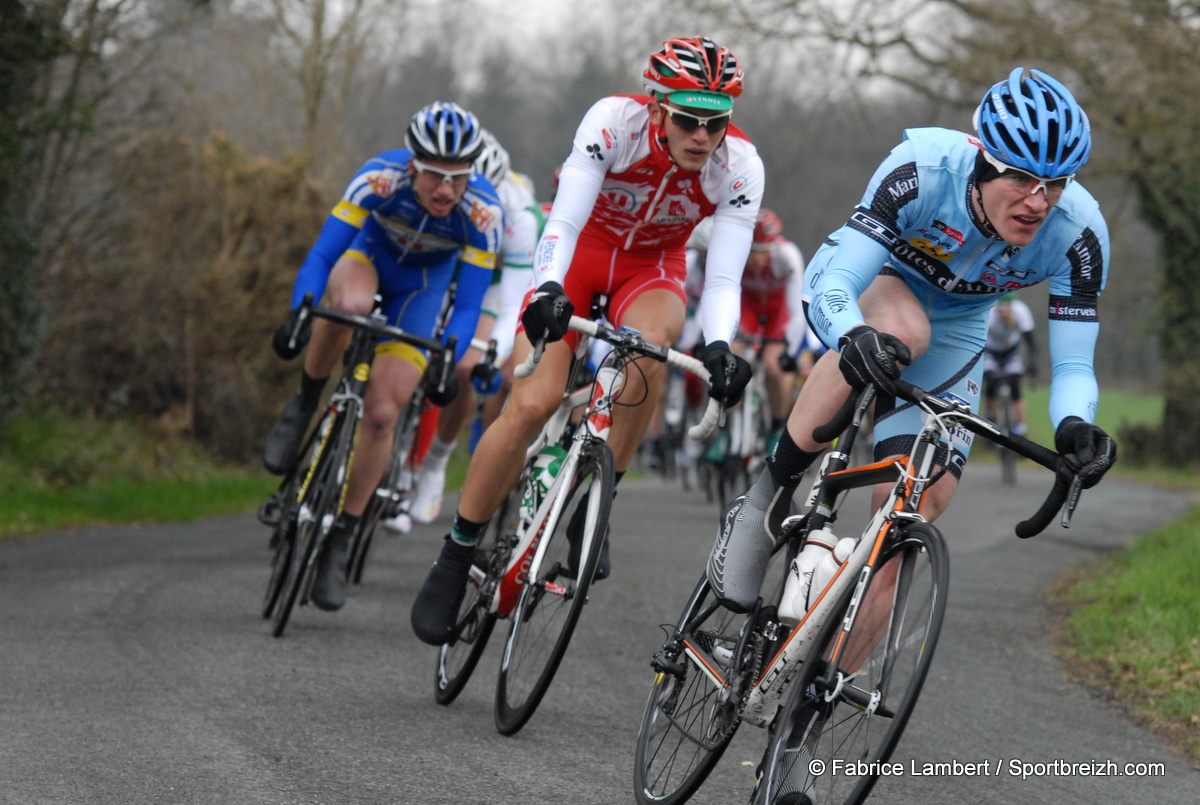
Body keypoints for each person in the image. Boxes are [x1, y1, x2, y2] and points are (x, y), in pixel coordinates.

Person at [708, 66, 1118, 613]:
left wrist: (1075, 425)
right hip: (873, 286)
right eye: (1021, 178)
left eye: (1056, 184)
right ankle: (766, 497)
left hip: (960, 328)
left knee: (915, 509)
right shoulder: (922, 170)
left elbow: (1072, 366)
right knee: (902, 330)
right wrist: (852, 333)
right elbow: (839, 281)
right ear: (982, 161)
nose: (1038, 202)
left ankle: (816, 686)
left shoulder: (1080, 233)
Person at [409, 36, 765, 646]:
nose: (702, 136)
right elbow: (565, 221)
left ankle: (597, 504)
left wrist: (722, 345)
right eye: (687, 119)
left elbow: (724, 277)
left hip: (651, 268)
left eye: (716, 121)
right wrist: (547, 288)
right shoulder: (612, 123)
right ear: (656, 108)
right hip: (579, 257)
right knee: (530, 403)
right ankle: (456, 551)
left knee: (654, 350)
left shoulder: (740, 167)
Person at [262, 101, 503, 611]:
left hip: (420, 291)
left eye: (457, 179)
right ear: (412, 166)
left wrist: (447, 356)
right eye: (434, 175)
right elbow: (324, 255)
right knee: (346, 304)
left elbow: (468, 304)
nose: (445, 190)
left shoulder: (484, 213)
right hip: (367, 261)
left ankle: (342, 537)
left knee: (381, 416)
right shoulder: (379, 178)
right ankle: (304, 403)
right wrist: (299, 312)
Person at [401, 129, 543, 526]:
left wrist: (488, 350)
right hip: (446, 261)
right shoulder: (444, 191)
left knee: (464, 365)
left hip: (497, 282)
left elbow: (513, 298)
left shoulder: (519, 215)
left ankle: (435, 463)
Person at [735, 208, 808, 444]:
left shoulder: (787, 255)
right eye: (751, 250)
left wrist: (792, 348)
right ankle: (730, 427)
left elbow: (797, 309)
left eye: (762, 251)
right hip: (748, 308)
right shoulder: (734, 253)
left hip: (779, 310)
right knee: (732, 360)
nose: (756, 258)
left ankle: (777, 427)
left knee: (774, 367)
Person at [983, 292, 1037, 435]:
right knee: (990, 382)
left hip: (1011, 353)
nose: (1004, 314)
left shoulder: (1021, 311)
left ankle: (1021, 428)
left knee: (1015, 386)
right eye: (1001, 310)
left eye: (1008, 310)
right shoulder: (989, 312)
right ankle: (989, 415)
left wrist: (1032, 363)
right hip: (990, 352)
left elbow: (1030, 340)